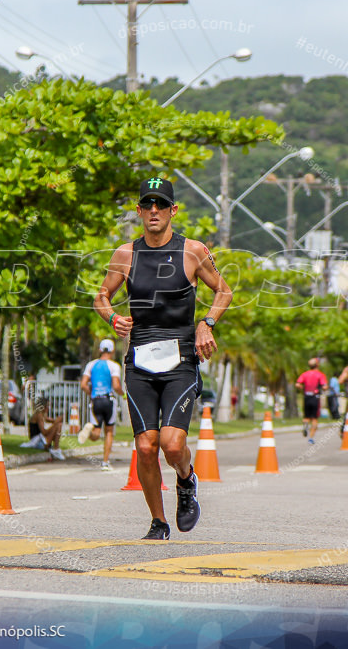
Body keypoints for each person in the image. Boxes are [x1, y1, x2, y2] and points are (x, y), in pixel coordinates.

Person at [94, 176, 232, 540]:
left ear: (173, 210)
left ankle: (186, 480)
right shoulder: (125, 254)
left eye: (161, 205)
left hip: (181, 359)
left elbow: (224, 290)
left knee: (172, 445)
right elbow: (101, 297)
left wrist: (207, 322)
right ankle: (158, 521)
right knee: (145, 446)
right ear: (139, 211)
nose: (153, 211)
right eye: (147, 205)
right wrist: (112, 318)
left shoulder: (193, 251)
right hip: (139, 359)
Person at [79, 338, 124, 470]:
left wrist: (91, 393)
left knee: (96, 434)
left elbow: (83, 384)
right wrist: (123, 394)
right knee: (109, 431)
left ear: (100, 350)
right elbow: (116, 385)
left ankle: (90, 428)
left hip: (96, 400)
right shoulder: (114, 366)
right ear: (112, 351)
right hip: (108, 400)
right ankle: (105, 462)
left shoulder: (91, 365)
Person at [295, 357, 329, 445]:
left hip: (306, 397)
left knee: (306, 417)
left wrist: (303, 388)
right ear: (317, 365)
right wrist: (324, 388)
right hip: (315, 397)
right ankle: (311, 438)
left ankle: (305, 424)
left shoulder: (305, 374)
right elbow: (324, 386)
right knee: (314, 418)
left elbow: (297, 384)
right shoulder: (320, 375)